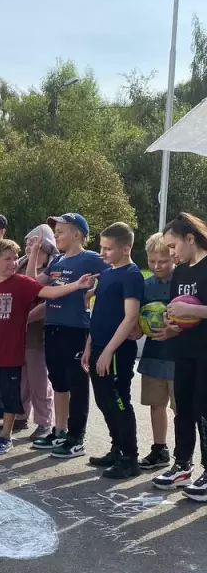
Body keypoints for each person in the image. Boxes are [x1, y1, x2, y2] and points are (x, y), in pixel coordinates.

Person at [0, 239, 96, 456]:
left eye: (14, 259)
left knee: (11, 397)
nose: (12, 263)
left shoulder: (22, 283)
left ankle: (5, 437)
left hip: (11, 353)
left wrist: (77, 285)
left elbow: (49, 293)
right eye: (7, 259)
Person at [27, 213, 106, 459]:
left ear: (77, 234)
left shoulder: (90, 258)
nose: (57, 235)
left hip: (76, 329)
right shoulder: (57, 261)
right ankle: (59, 431)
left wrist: (92, 292)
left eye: (61, 231)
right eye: (57, 231)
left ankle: (76, 437)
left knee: (77, 385)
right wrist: (32, 254)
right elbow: (32, 283)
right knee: (59, 383)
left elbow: (116, 273)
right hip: (53, 326)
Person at [81, 222, 145, 480]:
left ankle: (130, 458)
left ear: (126, 248)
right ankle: (116, 449)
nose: (103, 253)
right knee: (104, 401)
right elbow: (98, 314)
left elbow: (130, 317)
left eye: (108, 248)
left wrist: (108, 351)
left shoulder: (131, 274)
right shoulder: (107, 273)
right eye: (101, 247)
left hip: (117, 351)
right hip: (98, 346)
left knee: (119, 402)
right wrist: (89, 347)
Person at [150, 212, 207, 499]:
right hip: (184, 352)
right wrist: (170, 328)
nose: (171, 253)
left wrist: (195, 312)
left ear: (190, 238)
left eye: (173, 247)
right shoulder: (181, 272)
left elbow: (194, 311)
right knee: (183, 408)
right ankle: (182, 465)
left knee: (204, 411)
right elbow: (178, 310)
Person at [137, 232, 176, 470]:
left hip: (179, 356)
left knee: (182, 409)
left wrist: (174, 331)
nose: (157, 266)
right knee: (155, 404)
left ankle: (184, 457)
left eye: (163, 261)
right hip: (153, 355)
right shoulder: (145, 286)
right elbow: (139, 319)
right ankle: (159, 449)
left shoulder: (184, 281)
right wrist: (137, 331)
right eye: (152, 261)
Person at [17, 224, 59, 442]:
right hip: (18, 333)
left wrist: (25, 318)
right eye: (27, 243)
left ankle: (44, 421)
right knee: (21, 376)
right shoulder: (22, 264)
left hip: (37, 331)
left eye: (34, 243)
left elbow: (48, 302)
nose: (28, 247)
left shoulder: (52, 269)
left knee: (39, 378)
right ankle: (20, 414)